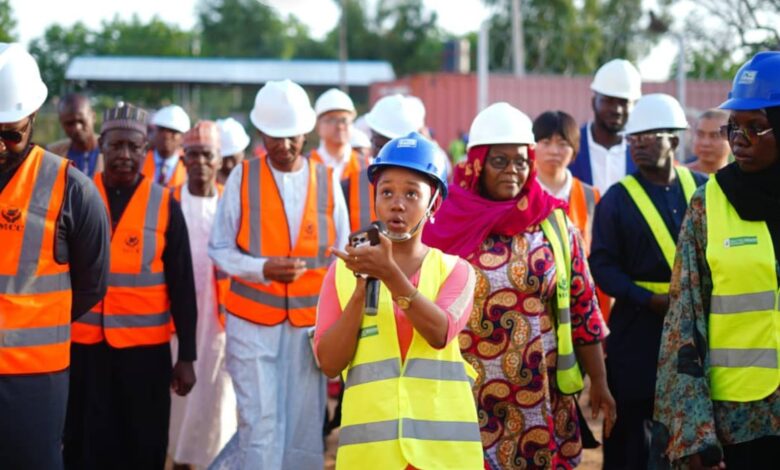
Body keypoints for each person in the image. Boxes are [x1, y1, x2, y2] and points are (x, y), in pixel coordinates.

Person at [424, 102, 615, 469]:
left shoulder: (553, 222)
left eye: (520, 161)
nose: (512, 170)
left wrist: (600, 382)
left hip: (539, 397)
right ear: (478, 163)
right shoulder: (442, 221)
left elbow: (583, 308)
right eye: (500, 161)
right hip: (462, 394)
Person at [315, 132, 483, 469]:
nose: (397, 203)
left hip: (443, 455)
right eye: (387, 191)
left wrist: (389, 274)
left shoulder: (457, 272)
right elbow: (330, 363)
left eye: (411, 193)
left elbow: (439, 333)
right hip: (371, 457)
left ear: (433, 204)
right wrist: (362, 288)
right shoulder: (342, 274)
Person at [208, 79, 349, 469]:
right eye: (274, 137)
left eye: (291, 137)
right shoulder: (242, 177)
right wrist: (262, 269)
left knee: (304, 431)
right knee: (261, 426)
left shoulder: (326, 181)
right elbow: (218, 249)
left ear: (304, 132)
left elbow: (342, 252)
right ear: (260, 133)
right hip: (251, 327)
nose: (283, 147)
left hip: (306, 329)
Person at [654, 51, 780, 469]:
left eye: (755, 127)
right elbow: (682, 324)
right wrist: (694, 434)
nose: (738, 140)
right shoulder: (708, 204)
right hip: (740, 423)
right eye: (734, 127)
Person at [65, 102, 198, 470]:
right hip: (84, 350)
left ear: (145, 150)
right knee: (85, 441)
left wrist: (186, 355)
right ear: (101, 146)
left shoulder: (165, 205)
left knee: (144, 442)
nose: (124, 155)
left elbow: (183, 284)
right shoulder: (76, 197)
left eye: (133, 147)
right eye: (115, 146)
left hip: (146, 354)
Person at [0, 42, 110, 470]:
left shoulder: (72, 190)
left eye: (11, 134)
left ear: (33, 120)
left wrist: (33, 323)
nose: (1, 146)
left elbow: (91, 285)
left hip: (35, 378)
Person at [588, 93, 708, 469]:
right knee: (630, 433)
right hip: (637, 331)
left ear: (674, 140)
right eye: (633, 138)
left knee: (690, 426)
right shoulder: (617, 200)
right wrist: (645, 298)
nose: (637, 144)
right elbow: (603, 267)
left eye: (648, 136)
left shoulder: (705, 191)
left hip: (695, 328)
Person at [168, 121, 236, 469]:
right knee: (177, 403)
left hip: (219, 321)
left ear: (219, 158)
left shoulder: (231, 203)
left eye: (207, 155)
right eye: (192, 155)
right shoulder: (169, 200)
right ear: (183, 159)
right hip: (173, 323)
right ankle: (177, 461)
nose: (200, 162)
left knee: (216, 400)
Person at [570, 59, 643, 194]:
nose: (617, 110)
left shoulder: (641, 152)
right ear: (593, 102)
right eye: (608, 101)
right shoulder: (571, 146)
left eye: (624, 102)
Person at [533, 110, 601, 249]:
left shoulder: (590, 196)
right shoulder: (521, 192)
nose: (554, 151)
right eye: (546, 142)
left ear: (574, 149)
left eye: (562, 144)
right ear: (532, 146)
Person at [310, 88, 375, 232]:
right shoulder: (306, 166)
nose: (339, 126)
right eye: (331, 119)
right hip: (316, 250)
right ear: (317, 125)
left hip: (359, 250)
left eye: (344, 120)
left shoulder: (367, 166)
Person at [48, 93, 104, 177]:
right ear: (61, 123)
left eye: (81, 121)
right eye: (69, 123)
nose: (77, 128)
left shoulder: (111, 150)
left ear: (93, 117)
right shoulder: (52, 155)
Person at [142, 104, 191, 187]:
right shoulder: (140, 161)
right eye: (161, 129)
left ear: (183, 137)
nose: (166, 135)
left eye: (173, 131)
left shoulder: (189, 166)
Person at [687, 108, 731, 174]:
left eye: (715, 136)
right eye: (700, 134)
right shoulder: (677, 177)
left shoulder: (741, 180)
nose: (705, 143)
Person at [216, 117, 250, 186]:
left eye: (233, 158)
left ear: (243, 152)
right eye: (223, 159)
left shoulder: (254, 184)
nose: (228, 165)